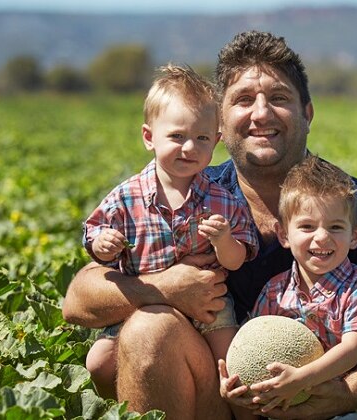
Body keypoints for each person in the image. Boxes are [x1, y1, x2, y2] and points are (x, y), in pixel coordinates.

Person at [62, 30, 357, 419]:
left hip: (316, 405)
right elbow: (79, 299)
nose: (262, 113)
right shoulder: (194, 193)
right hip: (215, 394)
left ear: (308, 113)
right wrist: (163, 288)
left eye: (279, 98)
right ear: (221, 120)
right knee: (148, 330)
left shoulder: (355, 207)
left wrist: (349, 391)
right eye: (244, 100)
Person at [80, 64, 259, 402]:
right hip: (142, 307)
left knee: (234, 372)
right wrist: (103, 245)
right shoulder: (125, 196)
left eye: (201, 138)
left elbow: (236, 261)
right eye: (177, 136)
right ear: (149, 137)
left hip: (210, 306)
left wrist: (223, 241)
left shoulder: (222, 199)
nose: (189, 148)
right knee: (98, 363)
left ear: (216, 142)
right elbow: (94, 238)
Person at [220, 156, 357, 417]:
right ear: (284, 235)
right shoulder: (274, 290)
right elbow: (249, 342)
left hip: (339, 406)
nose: (321, 237)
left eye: (335, 227)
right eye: (307, 227)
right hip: (282, 401)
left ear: (354, 236)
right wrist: (234, 382)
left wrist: (302, 378)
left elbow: (352, 349)